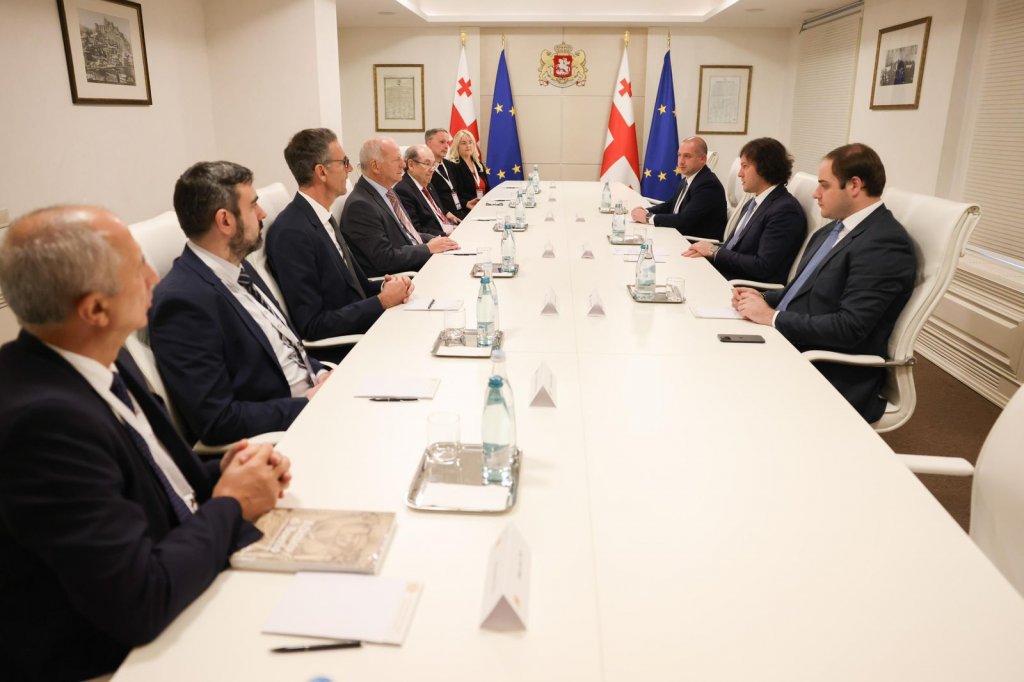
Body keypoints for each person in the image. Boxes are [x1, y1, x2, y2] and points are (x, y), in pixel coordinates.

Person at [0, 206, 291, 680]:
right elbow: (140, 600)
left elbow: (153, 480)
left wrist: (230, 472)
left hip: (182, 579)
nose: (155, 276)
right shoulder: (43, 424)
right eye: (138, 267)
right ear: (95, 310)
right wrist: (234, 503)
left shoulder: (101, 354)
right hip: (115, 658)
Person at [732, 143, 917, 422]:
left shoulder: (884, 243)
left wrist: (772, 317)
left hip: (828, 369)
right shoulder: (832, 229)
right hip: (792, 343)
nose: (815, 194)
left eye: (824, 185)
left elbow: (849, 327)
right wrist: (759, 297)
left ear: (854, 185)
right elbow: (804, 290)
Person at [150, 161, 329, 446]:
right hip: (288, 438)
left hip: (319, 402)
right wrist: (309, 404)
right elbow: (218, 420)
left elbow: (285, 348)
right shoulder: (182, 302)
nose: (263, 213)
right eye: (253, 205)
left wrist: (320, 373)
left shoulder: (238, 265)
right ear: (225, 221)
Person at [265, 128, 412, 361]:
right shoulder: (292, 233)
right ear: (321, 172)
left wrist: (390, 286)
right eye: (344, 162)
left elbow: (357, 286)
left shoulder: (323, 217)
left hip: (368, 329)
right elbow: (312, 325)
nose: (350, 169)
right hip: (349, 350)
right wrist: (381, 302)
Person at [683, 137, 805, 285]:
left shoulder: (785, 211)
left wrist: (714, 252)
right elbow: (733, 248)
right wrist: (707, 250)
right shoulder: (752, 203)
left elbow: (762, 266)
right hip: (724, 274)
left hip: (743, 287)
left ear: (765, 167)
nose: (740, 174)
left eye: (745, 166)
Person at [341, 137, 459, 278]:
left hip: (417, 263)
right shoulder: (360, 206)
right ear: (375, 166)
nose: (403, 165)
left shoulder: (388, 192)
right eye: (397, 159)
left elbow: (408, 233)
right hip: (404, 278)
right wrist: (427, 248)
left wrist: (439, 240)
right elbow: (384, 259)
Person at [630, 136, 727, 241]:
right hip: (679, 236)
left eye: (687, 156)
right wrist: (644, 211)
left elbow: (683, 221)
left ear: (702, 159)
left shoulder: (708, 185)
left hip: (694, 243)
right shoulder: (688, 179)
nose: (681, 161)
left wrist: (648, 217)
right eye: (679, 155)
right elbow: (670, 206)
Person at [395, 143, 460, 236]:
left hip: (449, 227)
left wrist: (447, 215)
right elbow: (416, 230)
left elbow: (435, 210)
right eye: (427, 164)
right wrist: (446, 234)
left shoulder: (428, 184)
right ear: (411, 165)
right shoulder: (403, 190)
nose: (432, 169)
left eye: (433, 164)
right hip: (438, 238)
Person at [425, 127, 469, 219]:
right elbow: (427, 199)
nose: (446, 146)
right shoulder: (424, 169)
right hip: (443, 218)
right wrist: (445, 213)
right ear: (429, 143)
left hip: (461, 213)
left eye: (447, 143)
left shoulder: (451, 166)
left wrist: (466, 203)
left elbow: (458, 193)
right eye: (442, 142)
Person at [447, 128, 489, 210]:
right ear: (457, 145)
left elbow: (487, 187)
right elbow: (458, 192)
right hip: (467, 208)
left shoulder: (478, 164)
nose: (468, 145)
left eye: (470, 142)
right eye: (464, 143)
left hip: (483, 205)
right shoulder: (453, 165)